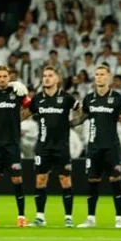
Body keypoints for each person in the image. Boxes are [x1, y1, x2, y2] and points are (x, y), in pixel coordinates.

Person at [76, 65, 121, 228]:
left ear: (109, 77)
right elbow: (81, 118)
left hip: (112, 146)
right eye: (97, 74)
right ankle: (91, 219)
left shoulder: (118, 98)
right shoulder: (88, 99)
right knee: (93, 181)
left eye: (102, 74)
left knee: (115, 180)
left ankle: (119, 219)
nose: (99, 77)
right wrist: (65, 123)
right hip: (94, 147)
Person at [0, 65, 29, 227]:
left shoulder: (17, 92)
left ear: (9, 77)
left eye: (4, 76)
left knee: (17, 179)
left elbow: (31, 106)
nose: (2, 79)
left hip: (12, 144)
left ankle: (21, 217)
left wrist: (19, 119)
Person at [30, 66, 77, 227]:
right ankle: (40, 217)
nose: (47, 78)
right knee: (40, 180)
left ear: (57, 79)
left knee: (65, 180)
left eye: (50, 75)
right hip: (43, 146)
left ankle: (68, 217)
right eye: (44, 76)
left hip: (62, 147)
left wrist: (75, 123)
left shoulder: (67, 98)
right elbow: (26, 113)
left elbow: (82, 111)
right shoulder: (37, 99)